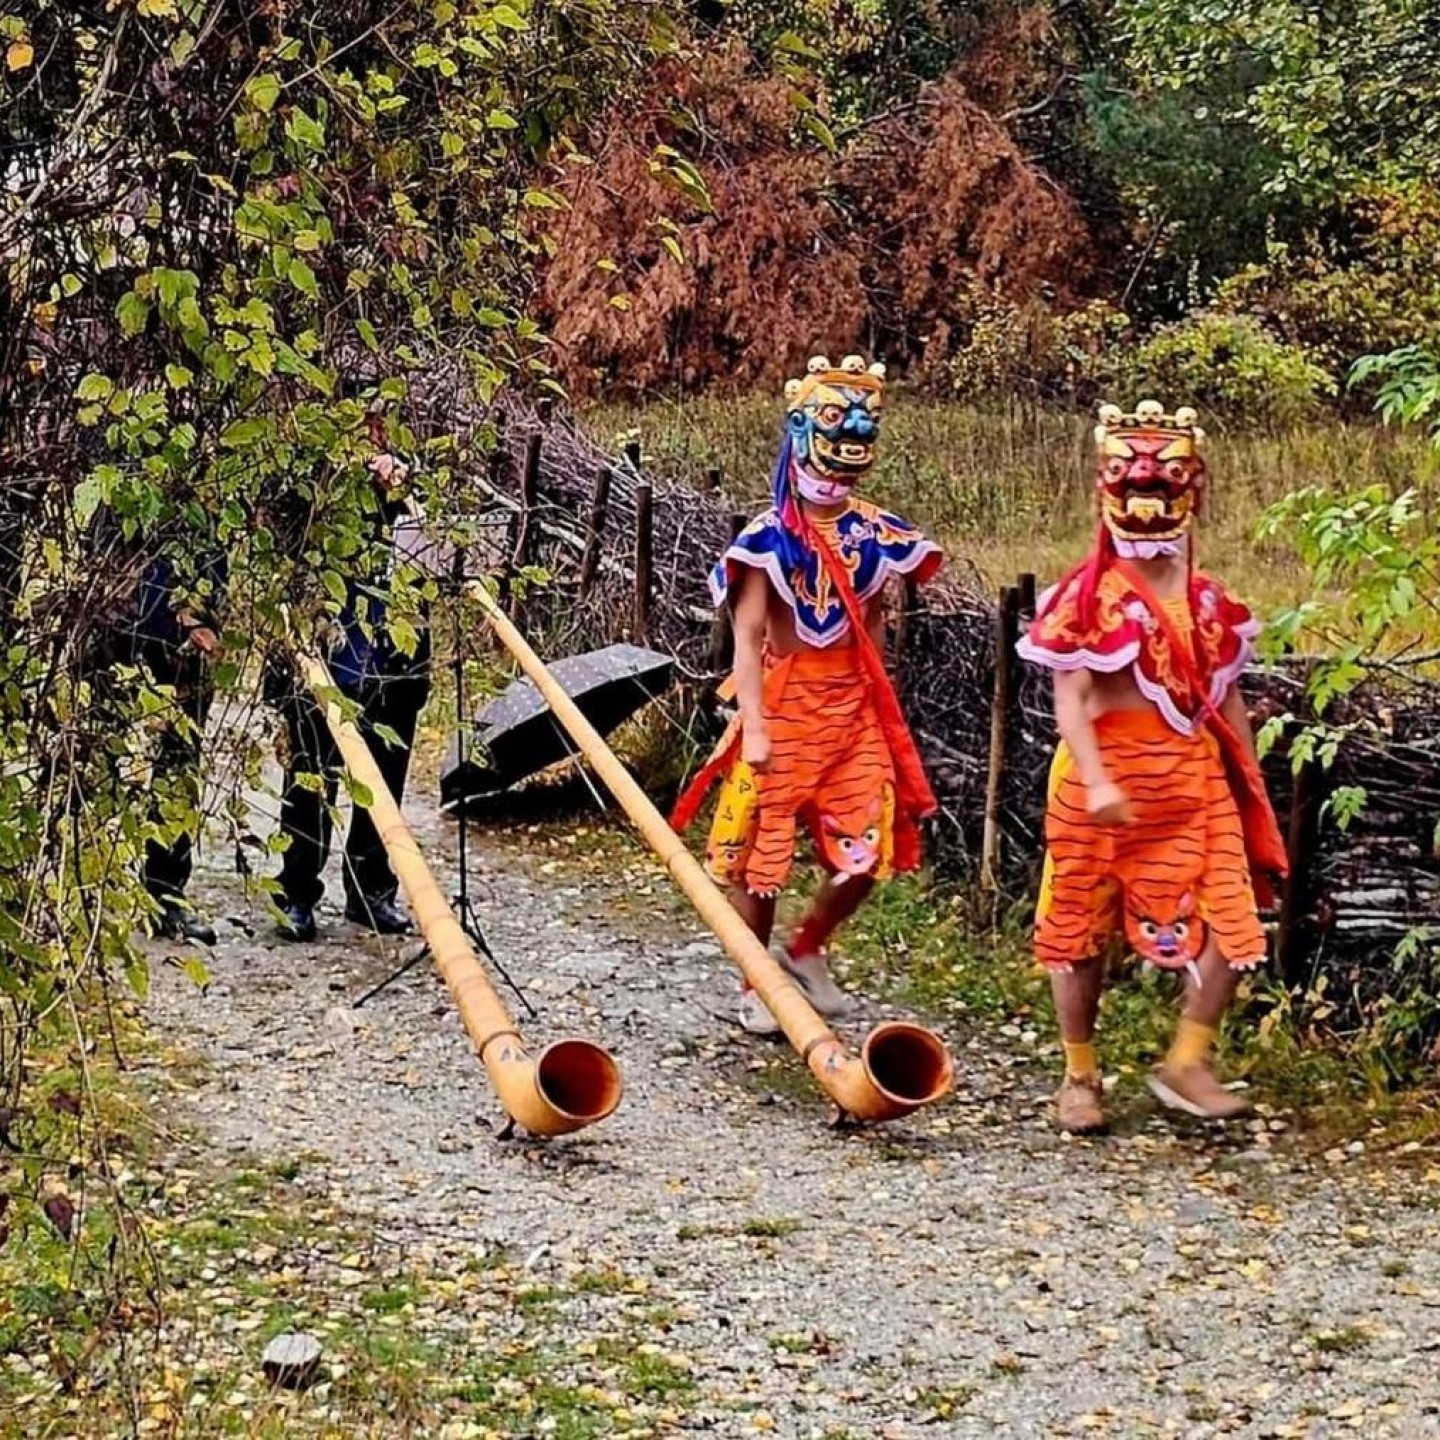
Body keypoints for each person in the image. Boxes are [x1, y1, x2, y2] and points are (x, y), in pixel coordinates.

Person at [1016, 399, 1289, 1133]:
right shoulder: (1080, 600)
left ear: (1192, 492)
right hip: (1100, 783)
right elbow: (1070, 700)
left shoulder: (1210, 604)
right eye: (1132, 486)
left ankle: (1188, 1062)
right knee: (1078, 935)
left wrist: (1246, 785)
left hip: (1191, 785)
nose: (1149, 500)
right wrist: (1099, 778)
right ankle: (1079, 1073)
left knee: (1234, 925)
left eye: (1168, 486)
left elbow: (1224, 700)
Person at [672, 354, 943, 1033]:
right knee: (759, 853)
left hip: (852, 707)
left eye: (863, 427)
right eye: (832, 421)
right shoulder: (768, 538)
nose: (850, 437)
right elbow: (750, 631)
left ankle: (808, 947)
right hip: (784, 701)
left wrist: (878, 706)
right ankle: (755, 978)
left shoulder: (876, 534)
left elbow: (877, 622)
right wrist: (755, 725)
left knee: (866, 849)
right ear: (799, 430)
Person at [270, 411, 431, 942]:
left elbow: (431, 550)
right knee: (312, 776)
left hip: (393, 654)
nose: (375, 433)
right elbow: (279, 530)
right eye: (364, 422)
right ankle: (295, 894)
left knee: (385, 774)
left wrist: (403, 491)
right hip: (324, 648)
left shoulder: (406, 470)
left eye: (381, 423)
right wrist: (342, 479)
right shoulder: (307, 475)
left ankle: (371, 891)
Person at [118, 550, 227, 946]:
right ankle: (80, 891)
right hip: (117, 605)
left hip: (188, 630)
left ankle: (166, 896)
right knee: (93, 753)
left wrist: (201, 616)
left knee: (181, 764)